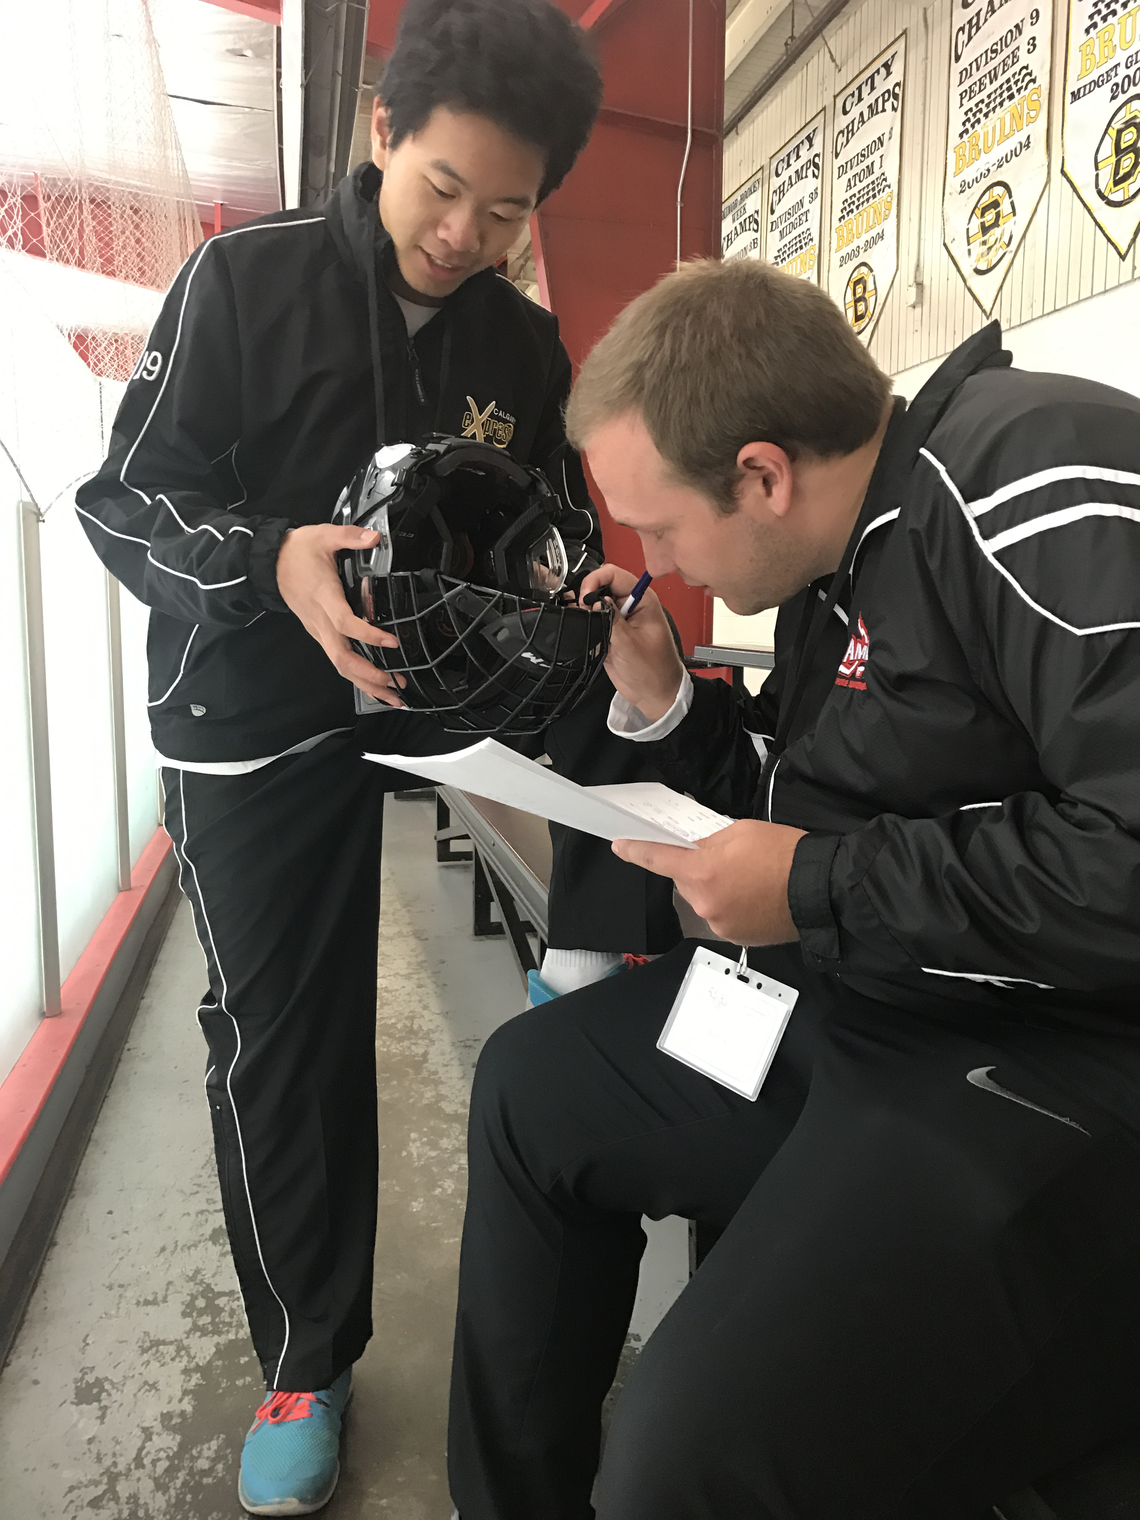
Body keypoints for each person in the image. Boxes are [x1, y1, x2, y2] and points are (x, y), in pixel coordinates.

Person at [75, 1, 680, 1511]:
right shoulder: (243, 279)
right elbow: (119, 499)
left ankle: (588, 964)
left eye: (509, 209)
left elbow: (552, 540)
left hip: (437, 689)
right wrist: (269, 559)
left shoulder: (523, 344)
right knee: (286, 1033)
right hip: (253, 713)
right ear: (383, 136)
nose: (468, 232)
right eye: (443, 190)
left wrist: (572, 593)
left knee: (630, 695)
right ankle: (307, 1348)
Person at [445, 258, 1140, 1520]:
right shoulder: (841, 567)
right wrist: (665, 702)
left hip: (1035, 1066)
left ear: (761, 475)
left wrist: (821, 881)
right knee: (533, 1090)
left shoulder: (1033, 478)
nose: (650, 557)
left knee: (681, 1464)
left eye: (658, 524)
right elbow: (810, 797)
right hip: (857, 1002)